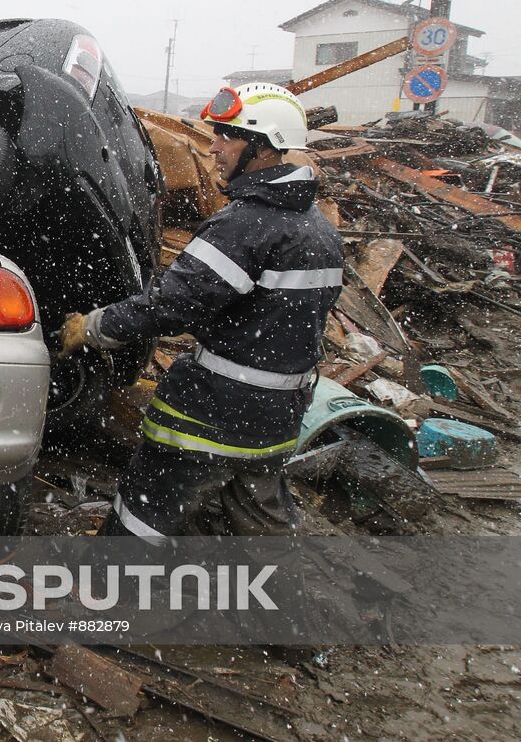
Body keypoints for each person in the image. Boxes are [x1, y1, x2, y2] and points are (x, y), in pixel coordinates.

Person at [61, 83, 342, 539]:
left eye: (228, 135)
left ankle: (111, 591)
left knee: (147, 508)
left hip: (216, 408)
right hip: (278, 413)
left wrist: (92, 326)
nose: (213, 146)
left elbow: (173, 304)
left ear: (264, 146)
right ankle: (276, 603)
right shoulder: (316, 228)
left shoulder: (247, 225)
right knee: (257, 515)